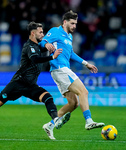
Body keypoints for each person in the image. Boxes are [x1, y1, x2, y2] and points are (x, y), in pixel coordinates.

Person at [0, 22, 71, 139]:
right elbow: (35, 59)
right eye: (40, 32)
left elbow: (43, 46)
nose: (43, 34)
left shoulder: (38, 46)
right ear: (33, 33)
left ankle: (56, 120)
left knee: (48, 97)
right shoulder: (29, 46)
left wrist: (48, 45)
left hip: (30, 86)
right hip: (18, 83)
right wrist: (52, 57)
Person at [39, 10, 105, 140]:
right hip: (59, 69)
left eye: (76, 23)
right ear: (65, 22)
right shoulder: (56, 31)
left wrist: (86, 63)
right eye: (72, 23)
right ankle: (88, 121)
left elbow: (71, 54)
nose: (74, 26)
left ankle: (50, 125)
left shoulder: (69, 37)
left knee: (73, 103)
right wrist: (47, 44)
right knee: (84, 92)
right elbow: (42, 42)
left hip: (62, 70)